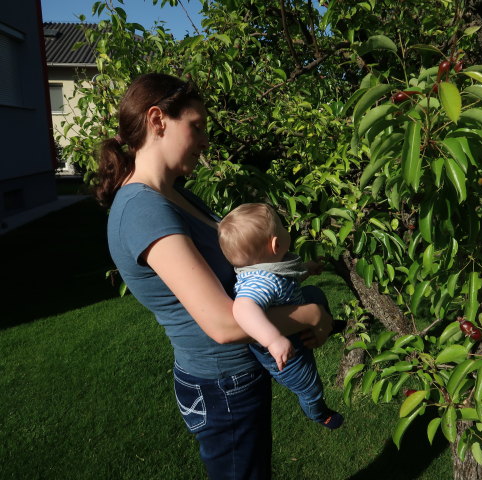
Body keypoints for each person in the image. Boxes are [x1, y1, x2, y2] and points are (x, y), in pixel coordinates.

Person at [97, 73, 333, 480]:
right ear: (158, 120)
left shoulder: (173, 193)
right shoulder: (144, 210)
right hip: (222, 385)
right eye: (197, 126)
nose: (206, 140)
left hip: (235, 376)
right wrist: (311, 315)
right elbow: (223, 324)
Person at [218, 203, 344, 430]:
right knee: (309, 386)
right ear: (275, 244)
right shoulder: (260, 281)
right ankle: (319, 412)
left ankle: (327, 324)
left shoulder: (270, 267)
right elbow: (243, 308)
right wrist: (273, 340)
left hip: (292, 322)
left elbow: (287, 277)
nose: (288, 231)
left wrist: (307, 268)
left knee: (313, 293)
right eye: (283, 228)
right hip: (285, 350)